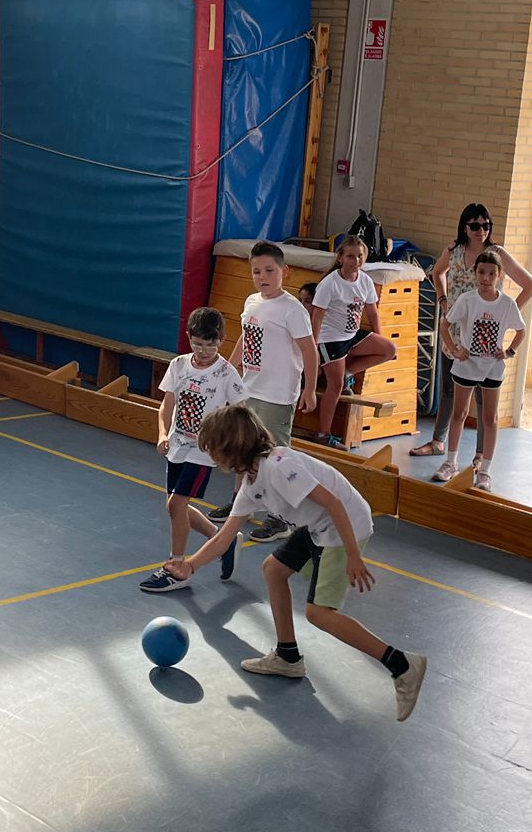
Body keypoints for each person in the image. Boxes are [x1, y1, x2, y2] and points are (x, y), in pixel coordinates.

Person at [168, 405, 427, 721]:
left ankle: (402, 664)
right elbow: (224, 538)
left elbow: (332, 502)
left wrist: (352, 554)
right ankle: (288, 657)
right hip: (318, 525)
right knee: (273, 569)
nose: (211, 456)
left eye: (213, 449)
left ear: (233, 446)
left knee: (319, 613)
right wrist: (191, 565)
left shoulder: (279, 467)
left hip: (344, 525)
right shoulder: (251, 483)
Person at [412, 203, 532, 459]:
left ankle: (481, 454)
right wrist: (443, 300)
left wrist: (506, 313)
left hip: (484, 335)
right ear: (465, 227)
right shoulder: (454, 250)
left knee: (483, 398)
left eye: (486, 225)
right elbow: (438, 272)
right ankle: (438, 441)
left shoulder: (496, 254)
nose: (481, 230)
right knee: (449, 389)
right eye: (475, 225)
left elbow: (530, 285)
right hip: (455, 330)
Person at [217, 240, 320, 543]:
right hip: (250, 389)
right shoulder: (252, 302)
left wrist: (310, 389)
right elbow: (246, 339)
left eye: (269, 270)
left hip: (277, 394)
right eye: (256, 271)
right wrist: (229, 369)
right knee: (242, 447)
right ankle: (240, 503)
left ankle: (281, 518)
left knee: (276, 456)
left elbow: (310, 351)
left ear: (284, 271)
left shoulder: (292, 310)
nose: (262, 277)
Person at [139, 307, 246, 595]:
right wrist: (163, 433)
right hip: (177, 446)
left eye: (211, 345)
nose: (204, 351)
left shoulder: (226, 373)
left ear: (221, 341)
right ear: (189, 338)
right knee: (175, 506)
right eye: (198, 344)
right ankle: (223, 541)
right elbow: (167, 404)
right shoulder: (179, 366)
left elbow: (240, 412)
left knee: (176, 505)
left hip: (203, 452)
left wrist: (228, 444)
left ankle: (176, 567)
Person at [435, 251, 524, 489]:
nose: (486, 278)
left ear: (499, 275)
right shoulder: (467, 300)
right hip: (466, 366)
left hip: (492, 368)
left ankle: (484, 470)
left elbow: (521, 330)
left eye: (491, 273)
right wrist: (455, 349)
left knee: (490, 417)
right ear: (475, 273)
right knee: (459, 413)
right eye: (482, 272)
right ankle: (450, 463)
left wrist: (509, 351)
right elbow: (445, 324)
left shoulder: (507, 304)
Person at [310, 238, 397, 445]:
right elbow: (317, 317)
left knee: (389, 349)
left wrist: (378, 337)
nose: (356, 260)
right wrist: (313, 348)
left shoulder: (365, 280)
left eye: (360, 256)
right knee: (335, 386)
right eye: (350, 256)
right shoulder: (330, 283)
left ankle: (348, 372)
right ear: (341, 258)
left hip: (351, 336)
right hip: (331, 340)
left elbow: (372, 313)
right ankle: (323, 434)